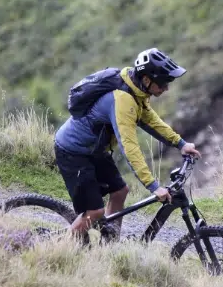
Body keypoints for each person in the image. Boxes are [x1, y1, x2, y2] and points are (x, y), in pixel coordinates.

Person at [53, 48, 201, 242]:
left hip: (95, 151)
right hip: (73, 151)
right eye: (163, 83)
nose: (166, 88)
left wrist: (180, 143)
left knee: (120, 192)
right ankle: (58, 248)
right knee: (95, 211)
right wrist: (153, 186)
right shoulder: (123, 99)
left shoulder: (136, 91)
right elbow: (129, 146)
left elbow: (150, 120)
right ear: (147, 79)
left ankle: (109, 245)